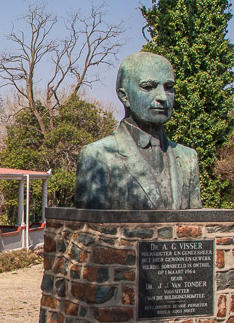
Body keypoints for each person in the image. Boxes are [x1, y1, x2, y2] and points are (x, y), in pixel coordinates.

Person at [74, 52, 202, 210]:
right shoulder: (97, 156)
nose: (163, 97)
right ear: (124, 96)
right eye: (148, 87)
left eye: (169, 88)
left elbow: (196, 225)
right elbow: (92, 228)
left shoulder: (188, 159)